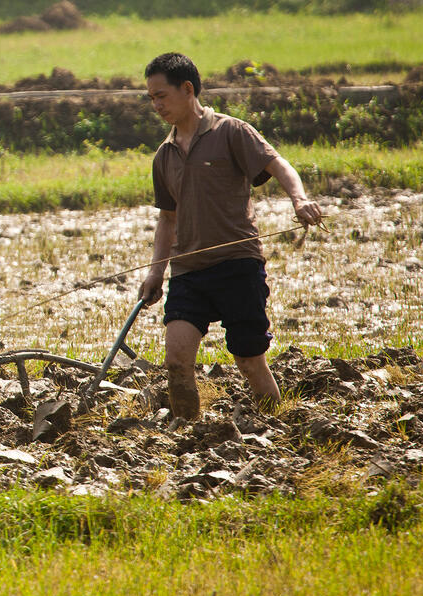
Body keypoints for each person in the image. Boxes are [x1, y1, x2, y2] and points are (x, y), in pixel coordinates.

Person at [136, 52, 323, 423]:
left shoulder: (230, 132)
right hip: (188, 271)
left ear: (187, 89)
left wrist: (299, 199)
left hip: (237, 264)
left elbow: (278, 164)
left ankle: (278, 429)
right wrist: (156, 273)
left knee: (249, 359)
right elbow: (167, 219)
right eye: (151, 98)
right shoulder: (164, 155)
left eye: (162, 96)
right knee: (176, 360)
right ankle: (188, 438)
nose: (156, 105)